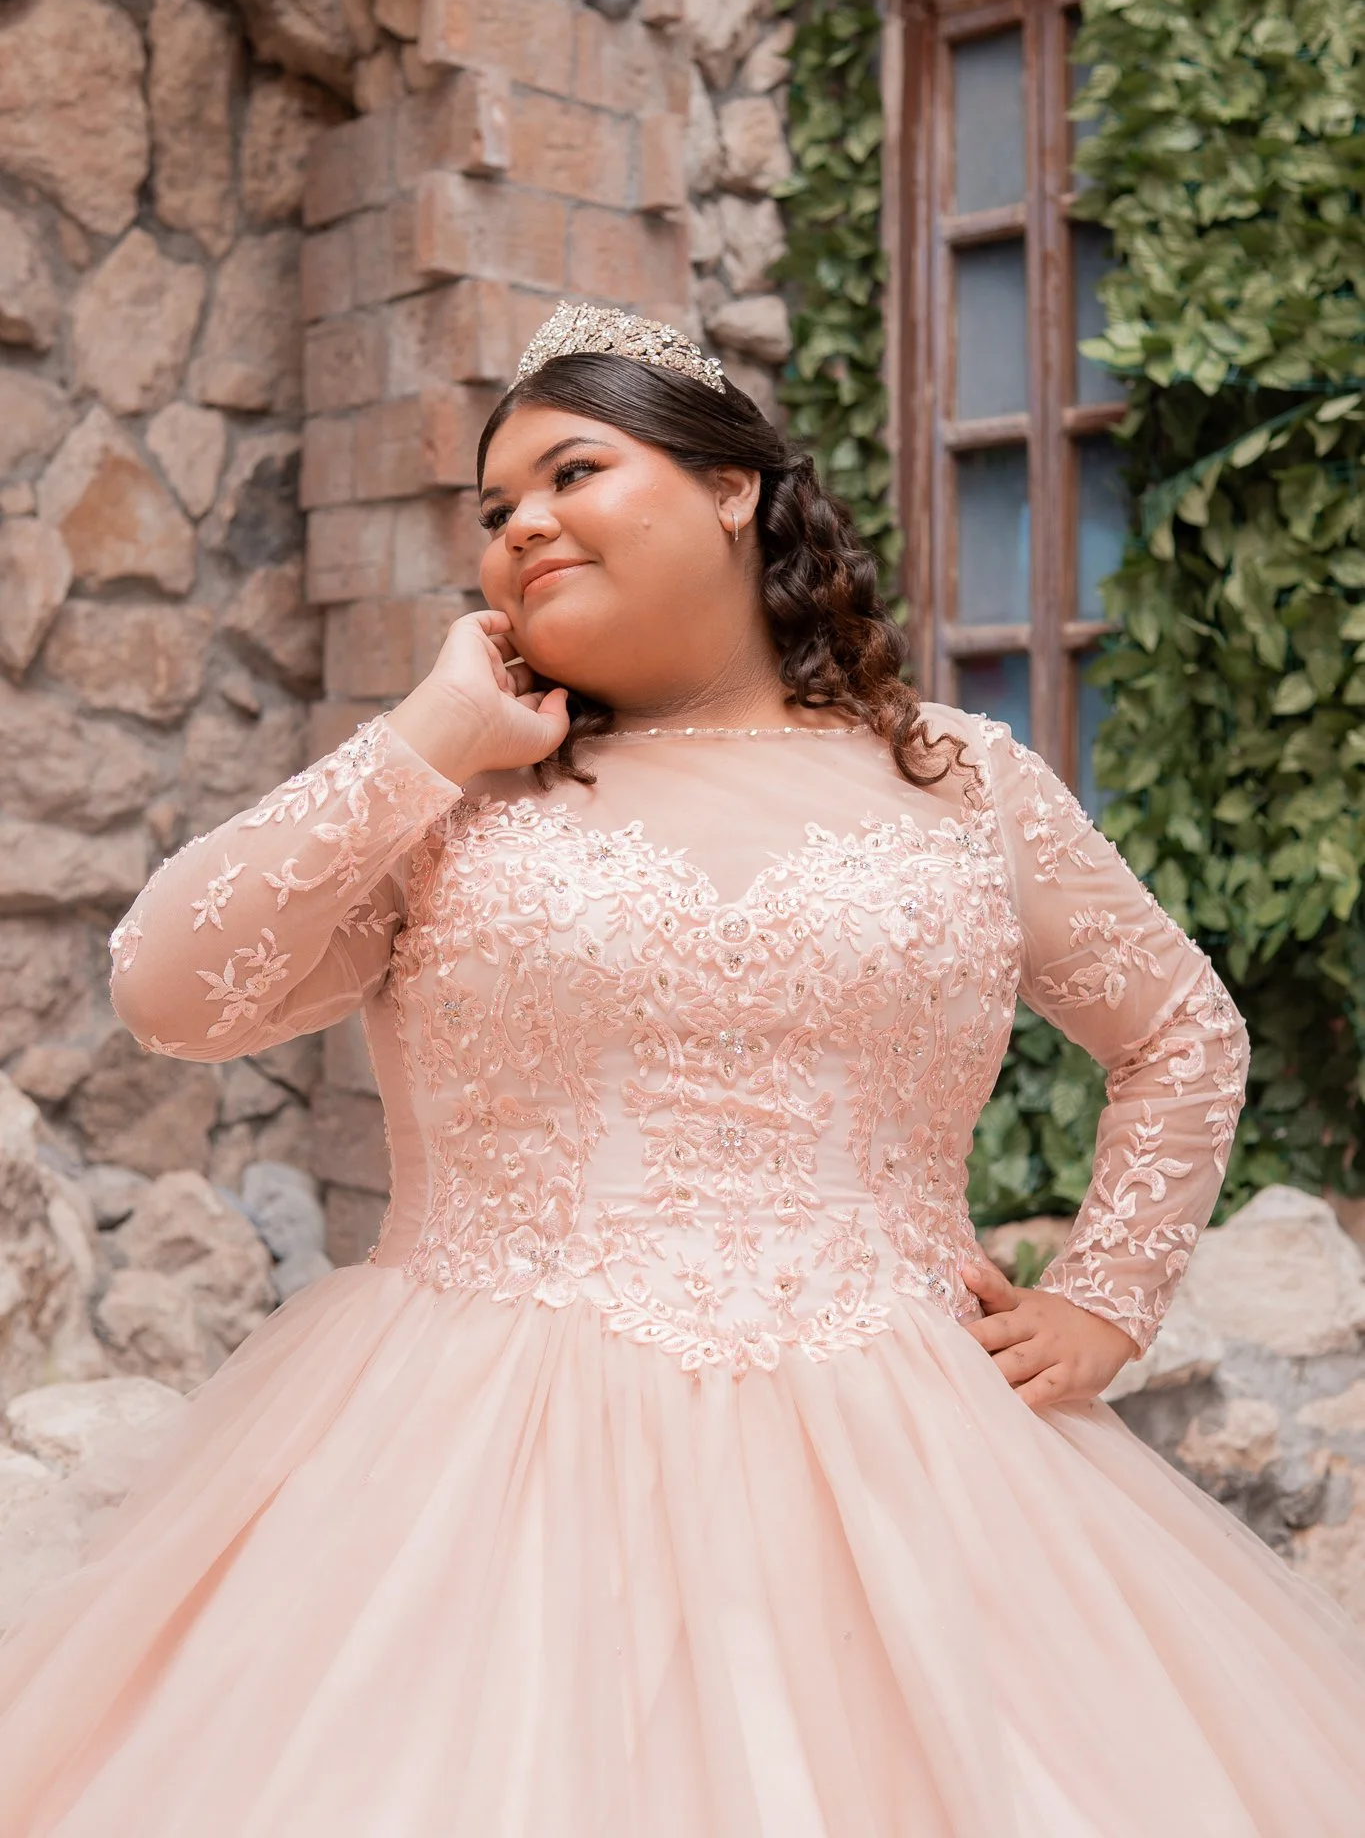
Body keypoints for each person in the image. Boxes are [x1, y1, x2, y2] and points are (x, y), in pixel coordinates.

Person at [1, 301, 1362, 1837]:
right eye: (496, 510)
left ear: (732, 490)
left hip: (920, 1478)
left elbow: (1185, 1032)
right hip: (468, 1471)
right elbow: (165, 990)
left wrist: (1109, 1293)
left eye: (573, 471)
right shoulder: (447, 800)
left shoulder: (967, 782)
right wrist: (431, 737)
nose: (523, 525)